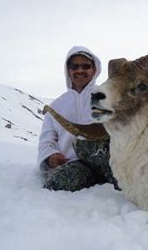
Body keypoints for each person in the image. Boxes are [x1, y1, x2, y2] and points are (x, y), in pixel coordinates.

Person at [37, 46, 118, 191]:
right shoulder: (56, 107)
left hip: (111, 162)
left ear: (94, 69)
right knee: (56, 184)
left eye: (86, 66)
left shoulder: (109, 96)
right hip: (75, 164)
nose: (80, 70)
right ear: (68, 70)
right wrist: (50, 157)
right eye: (74, 66)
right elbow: (46, 142)